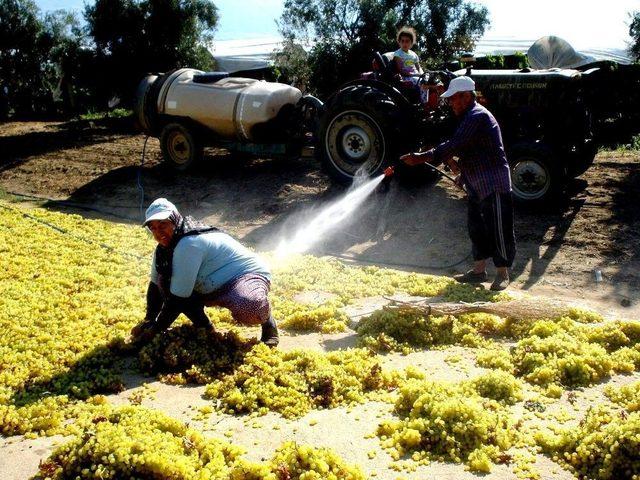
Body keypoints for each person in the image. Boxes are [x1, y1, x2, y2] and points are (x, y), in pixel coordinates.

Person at [400, 76, 516, 291]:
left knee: (498, 228)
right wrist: (462, 174)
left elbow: (455, 144)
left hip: (493, 183)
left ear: (465, 96)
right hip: (476, 183)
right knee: (476, 228)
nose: (451, 103)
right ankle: (479, 271)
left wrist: (421, 157)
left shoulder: (477, 116)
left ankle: (502, 273)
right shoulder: (467, 118)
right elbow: (468, 151)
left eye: (453, 99)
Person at [130, 198, 279, 345]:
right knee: (165, 281)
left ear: (175, 221)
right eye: (153, 228)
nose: (158, 233)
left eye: (163, 224)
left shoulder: (189, 243)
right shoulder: (163, 250)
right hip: (210, 284)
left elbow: (177, 300)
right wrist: (149, 320)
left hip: (243, 276)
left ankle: (268, 323)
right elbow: (155, 286)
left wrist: (154, 331)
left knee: (250, 308)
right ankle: (206, 327)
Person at [393, 26, 429, 105]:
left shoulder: (413, 54)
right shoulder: (398, 54)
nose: (404, 43)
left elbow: (418, 67)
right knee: (422, 82)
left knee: (431, 79)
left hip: (416, 75)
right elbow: (401, 70)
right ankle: (424, 104)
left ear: (411, 42)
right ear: (399, 42)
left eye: (407, 41)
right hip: (406, 77)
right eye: (402, 41)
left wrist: (422, 74)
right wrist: (416, 75)